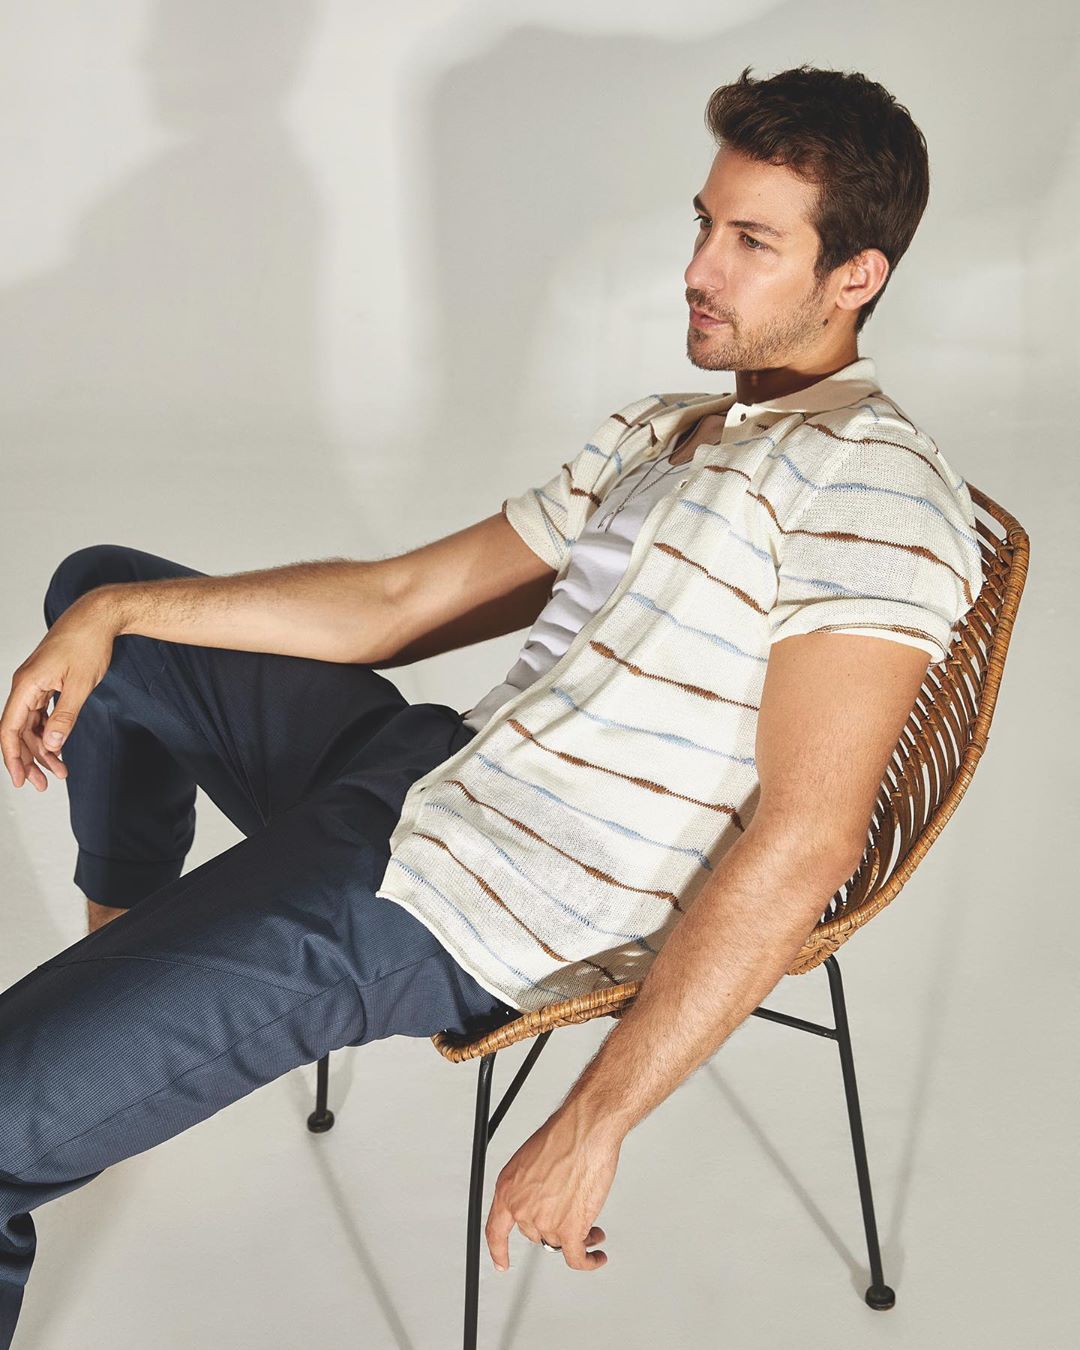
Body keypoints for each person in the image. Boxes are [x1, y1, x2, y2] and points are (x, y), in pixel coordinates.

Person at [0, 63, 983, 1340]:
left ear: (857, 276)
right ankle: (128, 955)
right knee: (105, 593)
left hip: (471, 903)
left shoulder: (873, 486)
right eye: (704, 223)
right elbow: (398, 600)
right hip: (437, 771)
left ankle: (107, 1031)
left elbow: (810, 835)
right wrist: (116, 613)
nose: (700, 269)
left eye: (754, 242)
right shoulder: (669, 429)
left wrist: (594, 1118)